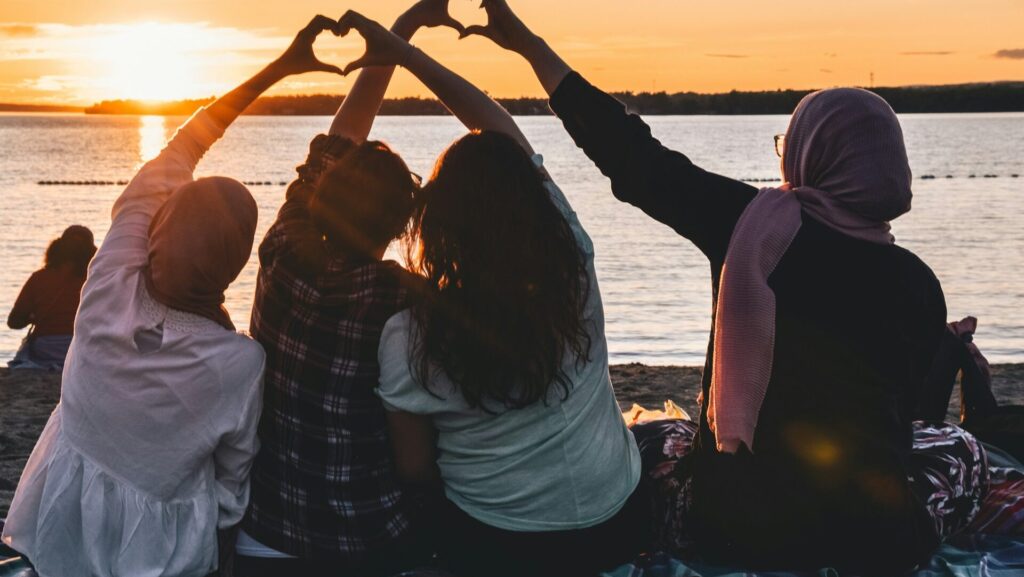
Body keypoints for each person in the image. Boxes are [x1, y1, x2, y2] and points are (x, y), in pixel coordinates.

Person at [459, 0, 986, 573]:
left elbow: (631, 155)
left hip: (732, 527)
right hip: (868, 538)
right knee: (964, 451)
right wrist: (952, 361)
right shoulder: (916, 283)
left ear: (813, 155)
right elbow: (905, 420)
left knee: (652, 440)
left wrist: (529, 46)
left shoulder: (749, 226)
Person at [0, 18, 343, 576]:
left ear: (154, 236)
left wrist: (278, 68)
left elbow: (186, 144)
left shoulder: (108, 280)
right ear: (233, 265)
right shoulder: (239, 360)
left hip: (63, 521)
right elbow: (233, 479)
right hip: (162, 552)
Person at [338, 12, 648, 577]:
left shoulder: (410, 333)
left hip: (497, 546)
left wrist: (399, 43)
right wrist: (406, 54)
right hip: (616, 525)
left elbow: (415, 470)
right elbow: (500, 132)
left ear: (438, 223)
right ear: (531, 205)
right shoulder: (572, 264)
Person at [236, 2, 464, 575]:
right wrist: (401, 39)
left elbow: (338, 139)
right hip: (368, 541)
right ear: (401, 225)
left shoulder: (281, 249)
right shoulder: (405, 299)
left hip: (265, 534)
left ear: (323, 197)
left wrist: (399, 33)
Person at [7, 225, 96, 370]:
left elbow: (14, 322)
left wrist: (34, 316)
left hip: (45, 348)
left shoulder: (39, 278)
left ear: (58, 249)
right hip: (82, 348)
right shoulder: (96, 280)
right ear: (92, 252)